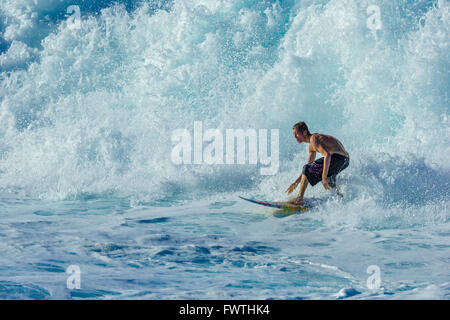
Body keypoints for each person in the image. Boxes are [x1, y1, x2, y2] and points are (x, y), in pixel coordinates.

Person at [286, 121, 350, 205]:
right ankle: (341, 199)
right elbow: (307, 169)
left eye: (296, 134)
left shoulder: (314, 139)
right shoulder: (311, 146)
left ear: (305, 132)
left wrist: (324, 178)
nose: (295, 137)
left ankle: (299, 198)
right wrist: (296, 183)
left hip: (339, 158)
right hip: (345, 160)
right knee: (330, 182)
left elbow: (327, 155)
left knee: (315, 172)